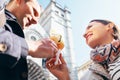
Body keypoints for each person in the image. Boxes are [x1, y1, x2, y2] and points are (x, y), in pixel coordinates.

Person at [0, 0, 58, 80]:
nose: (35, 22)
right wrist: (31, 46)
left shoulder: (16, 31)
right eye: (34, 12)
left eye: (38, 19)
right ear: (19, 1)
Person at [46, 19, 120, 80]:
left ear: (109, 26)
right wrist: (65, 77)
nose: (84, 34)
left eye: (90, 27)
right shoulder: (88, 73)